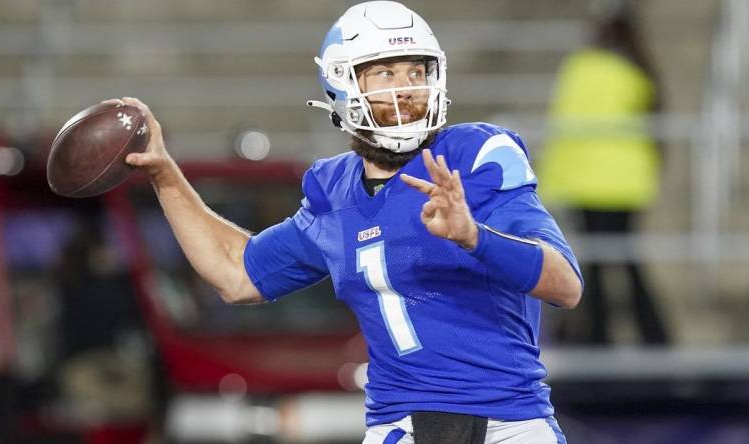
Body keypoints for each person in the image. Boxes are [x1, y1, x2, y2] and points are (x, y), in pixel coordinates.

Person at [113, 2, 582, 442]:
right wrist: (164, 173)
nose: (407, 88)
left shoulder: (472, 157)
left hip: (511, 422)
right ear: (343, 85)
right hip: (400, 425)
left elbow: (566, 286)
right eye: (386, 73)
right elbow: (235, 272)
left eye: (416, 72)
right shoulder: (333, 192)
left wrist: (474, 237)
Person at [538, 5, 668, 345]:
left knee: (595, 264)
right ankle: (654, 336)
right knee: (626, 261)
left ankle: (598, 337)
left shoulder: (580, 69)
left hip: (584, 183)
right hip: (626, 185)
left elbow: (562, 125)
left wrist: (551, 181)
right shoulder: (638, 72)